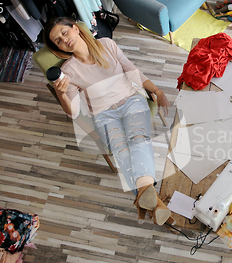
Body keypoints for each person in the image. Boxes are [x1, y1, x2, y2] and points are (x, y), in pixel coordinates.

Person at [44, 17, 172, 226]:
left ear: (75, 29)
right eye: (57, 41)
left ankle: (151, 205)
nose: (63, 40)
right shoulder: (67, 71)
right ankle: (155, 204)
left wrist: (156, 90)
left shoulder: (107, 45)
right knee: (122, 151)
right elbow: (73, 112)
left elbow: (132, 70)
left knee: (137, 140)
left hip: (131, 101)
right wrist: (62, 95)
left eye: (64, 33)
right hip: (104, 115)